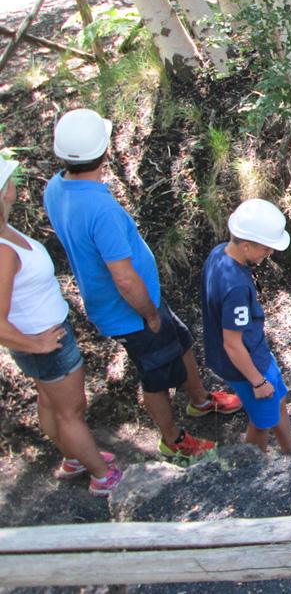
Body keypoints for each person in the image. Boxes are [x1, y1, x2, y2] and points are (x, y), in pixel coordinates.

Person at [43, 108, 241, 460]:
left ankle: (199, 401)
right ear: (104, 152)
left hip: (130, 303)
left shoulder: (57, 187)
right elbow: (123, 276)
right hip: (131, 310)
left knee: (180, 341)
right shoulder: (100, 210)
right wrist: (149, 314)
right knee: (156, 377)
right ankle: (173, 439)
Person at [0, 156, 122, 496]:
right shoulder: (3, 252)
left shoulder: (6, 231)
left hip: (46, 338)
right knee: (72, 412)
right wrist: (35, 344)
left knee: (50, 402)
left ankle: (74, 457)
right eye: (8, 181)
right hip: (46, 344)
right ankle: (101, 476)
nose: (15, 185)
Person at [202, 199, 291, 455]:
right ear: (247, 245)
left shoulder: (220, 253)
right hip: (247, 365)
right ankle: (251, 468)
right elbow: (233, 344)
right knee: (261, 422)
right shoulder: (235, 286)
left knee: (278, 398)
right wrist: (258, 382)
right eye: (267, 248)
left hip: (254, 353)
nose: (269, 253)